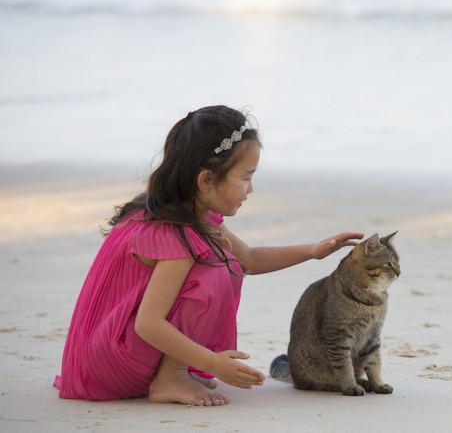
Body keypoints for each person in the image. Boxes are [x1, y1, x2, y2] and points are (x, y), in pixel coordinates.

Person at [54, 105, 363, 406]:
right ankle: (170, 377)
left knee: (226, 262)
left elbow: (250, 259)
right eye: (245, 178)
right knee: (218, 266)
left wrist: (313, 251)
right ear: (205, 180)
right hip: (112, 363)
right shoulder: (176, 234)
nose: (251, 189)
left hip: (103, 351)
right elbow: (147, 324)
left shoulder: (184, 212)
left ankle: (172, 371)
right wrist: (213, 363)